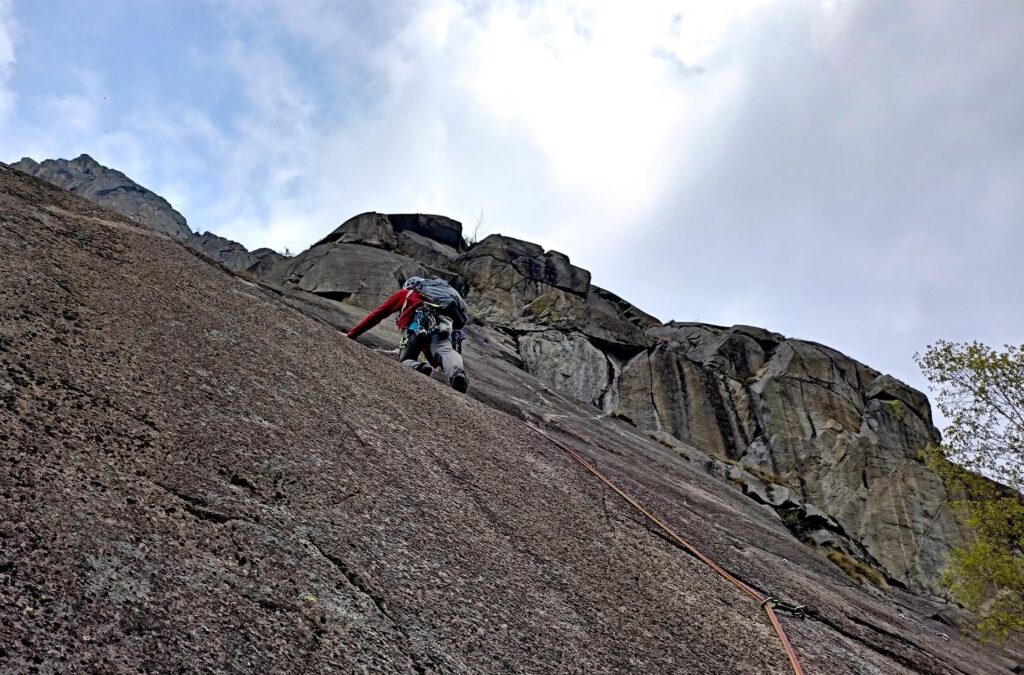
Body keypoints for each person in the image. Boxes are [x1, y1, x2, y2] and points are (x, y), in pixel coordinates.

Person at [346, 277, 469, 393]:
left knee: (406, 359)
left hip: (416, 324)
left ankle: (418, 367)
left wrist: (352, 334)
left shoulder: (406, 294)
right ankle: (457, 373)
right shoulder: (440, 300)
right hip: (443, 325)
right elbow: (434, 348)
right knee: (446, 351)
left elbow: (378, 315)